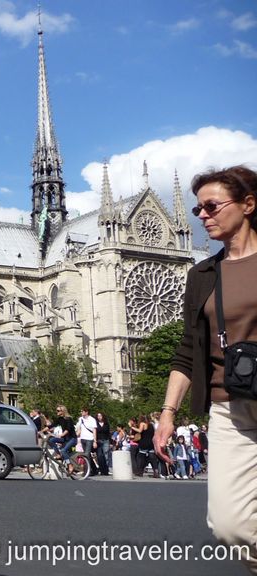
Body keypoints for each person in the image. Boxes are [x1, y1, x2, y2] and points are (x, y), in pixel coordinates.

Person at [155, 166, 257, 573]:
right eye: (197, 208)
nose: (202, 215)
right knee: (230, 526)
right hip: (229, 406)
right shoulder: (201, 274)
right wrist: (168, 413)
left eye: (211, 206)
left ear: (248, 205)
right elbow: (187, 350)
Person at [94, 411, 111, 475]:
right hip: (98, 441)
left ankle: (106, 470)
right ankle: (101, 469)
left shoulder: (106, 424)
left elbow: (108, 433)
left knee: (106, 455)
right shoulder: (95, 424)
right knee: (99, 455)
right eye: (98, 416)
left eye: (100, 416)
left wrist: (111, 442)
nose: (99, 417)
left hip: (106, 440)